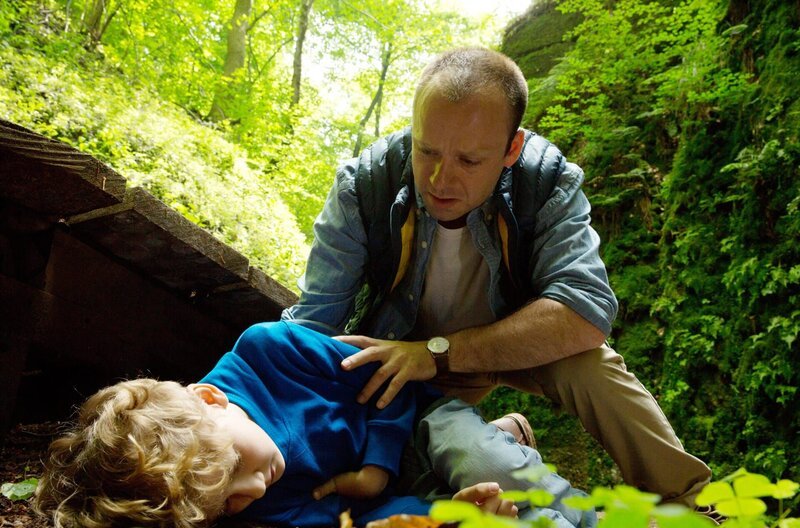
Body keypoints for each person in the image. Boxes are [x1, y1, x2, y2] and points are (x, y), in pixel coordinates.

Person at [281, 46, 713, 507]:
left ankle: (693, 504)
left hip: (508, 348)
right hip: (403, 364)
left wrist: (438, 352)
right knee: (450, 470)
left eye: (469, 161)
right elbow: (313, 326)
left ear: (512, 149)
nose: (440, 179)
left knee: (591, 365)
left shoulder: (546, 182)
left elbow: (586, 311)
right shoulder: (365, 185)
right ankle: (510, 440)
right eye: (426, 151)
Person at [34, 321, 596, 528]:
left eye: (237, 466)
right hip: (403, 492)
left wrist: (376, 467)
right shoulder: (249, 502)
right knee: (493, 510)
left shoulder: (269, 351)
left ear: (210, 399)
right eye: (227, 504)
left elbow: (390, 383)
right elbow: (347, 518)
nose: (254, 490)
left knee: (484, 459)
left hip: (417, 421)